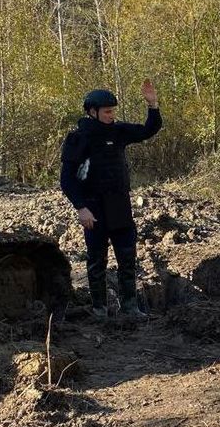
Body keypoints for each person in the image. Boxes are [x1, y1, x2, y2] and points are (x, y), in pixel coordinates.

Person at [59, 80, 162, 319]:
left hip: (119, 204)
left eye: (113, 111)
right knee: (97, 260)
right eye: (107, 112)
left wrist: (153, 105)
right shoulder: (79, 138)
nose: (111, 115)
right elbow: (67, 180)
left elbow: (148, 130)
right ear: (92, 112)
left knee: (127, 257)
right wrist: (81, 208)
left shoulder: (118, 131)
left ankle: (130, 307)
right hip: (93, 206)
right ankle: (99, 310)